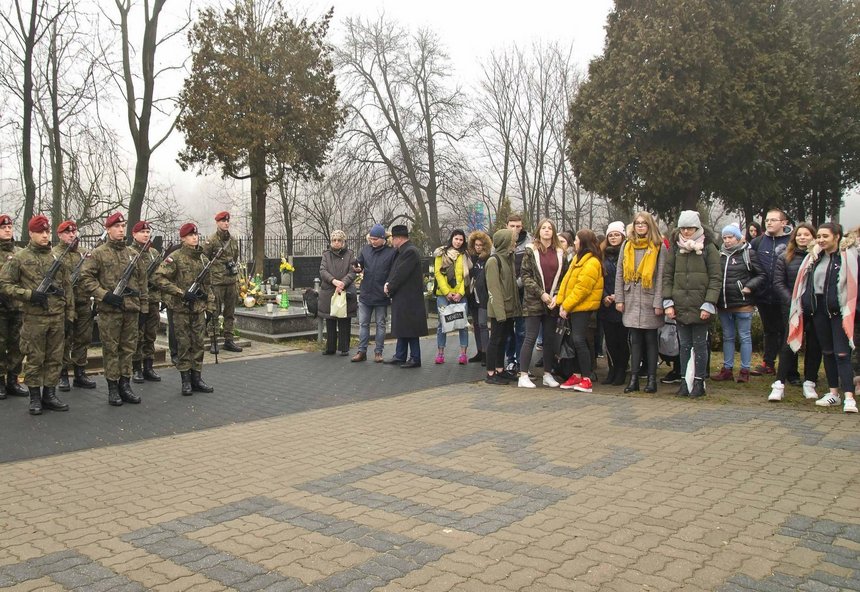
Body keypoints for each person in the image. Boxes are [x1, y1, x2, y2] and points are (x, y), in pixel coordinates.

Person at [0, 215, 73, 414]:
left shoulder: (56, 257)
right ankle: (34, 397)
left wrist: (70, 315)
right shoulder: (20, 258)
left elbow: (67, 289)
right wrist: (29, 295)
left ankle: (49, 394)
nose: (45, 235)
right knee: (35, 358)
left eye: (47, 232)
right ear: (31, 233)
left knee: (55, 358)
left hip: (57, 317)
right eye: (40, 232)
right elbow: (4, 284)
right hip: (34, 318)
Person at [788, 223, 859, 412]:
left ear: (837, 236)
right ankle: (833, 393)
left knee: (842, 354)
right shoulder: (814, 257)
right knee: (827, 352)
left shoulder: (847, 256)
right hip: (819, 311)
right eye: (818, 236)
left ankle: (849, 396)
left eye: (825, 236)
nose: (820, 240)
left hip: (839, 312)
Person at [79, 212, 148, 406]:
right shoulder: (98, 253)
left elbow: (142, 284)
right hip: (109, 311)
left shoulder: (133, 254)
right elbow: (85, 278)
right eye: (116, 226)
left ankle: (125, 385)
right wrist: (104, 294)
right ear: (108, 229)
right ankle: (113, 388)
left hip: (131, 310)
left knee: (128, 349)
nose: (120, 229)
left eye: (122, 226)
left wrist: (143, 308)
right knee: (111, 350)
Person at [152, 222, 216, 396]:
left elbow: (209, 286)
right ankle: (185, 380)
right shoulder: (175, 257)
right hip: (181, 310)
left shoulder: (203, 259)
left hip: (198, 309)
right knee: (183, 345)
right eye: (190, 235)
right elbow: (158, 278)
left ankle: (197, 378)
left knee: (198, 344)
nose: (194, 238)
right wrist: (181, 293)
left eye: (196, 235)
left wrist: (210, 307)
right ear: (182, 238)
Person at [663, 210, 721, 397]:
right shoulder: (675, 248)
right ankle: (684, 381)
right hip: (680, 305)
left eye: (690, 228)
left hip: (700, 305)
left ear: (697, 227)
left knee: (700, 345)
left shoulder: (709, 248)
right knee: (684, 345)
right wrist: (668, 302)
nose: (686, 232)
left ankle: (699, 381)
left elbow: (715, 278)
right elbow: (667, 276)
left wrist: (709, 303)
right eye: (683, 228)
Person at [769, 223, 821, 401]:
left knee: (814, 345)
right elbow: (778, 283)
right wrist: (793, 302)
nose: (802, 237)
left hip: (815, 309)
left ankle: (810, 381)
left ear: (813, 237)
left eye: (806, 234)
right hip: (792, 308)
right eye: (799, 235)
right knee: (789, 344)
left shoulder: (819, 257)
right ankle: (780, 383)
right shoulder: (785, 257)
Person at [615, 213, 666, 393]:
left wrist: (658, 302)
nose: (640, 226)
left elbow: (661, 276)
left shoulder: (658, 246)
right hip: (631, 298)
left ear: (650, 225)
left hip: (649, 298)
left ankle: (651, 380)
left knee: (651, 340)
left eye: (644, 223)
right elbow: (620, 273)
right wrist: (619, 298)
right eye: (637, 223)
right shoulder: (627, 245)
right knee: (634, 339)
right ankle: (634, 379)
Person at [711, 224, 765, 383]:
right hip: (724, 303)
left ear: (738, 238)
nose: (727, 240)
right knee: (727, 337)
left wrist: (749, 287)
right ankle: (727, 369)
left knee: (744, 337)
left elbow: (761, 275)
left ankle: (744, 370)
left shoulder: (748, 253)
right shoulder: (719, 255)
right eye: (725, 238)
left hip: (743, 303)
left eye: (731, 237)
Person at [517, 219, 565, 388]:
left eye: (549, 228)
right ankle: (523, 375)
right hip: (534, 300)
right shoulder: (531, 250)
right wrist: (541, 293)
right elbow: (525, 276)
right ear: (539, 231)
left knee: (549, 339)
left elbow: (564, 277)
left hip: (552, 301)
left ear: (553, 231)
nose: (546, 230)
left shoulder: (560, 252)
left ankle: (547, 374)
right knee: (530, 337)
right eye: (543, 228)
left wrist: (557, 296)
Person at [52, 220, 97, 392]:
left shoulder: (84, 254)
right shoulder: (54, 254)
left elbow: (93, 276)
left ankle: (80, 373)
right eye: (67, 232)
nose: (71, 235)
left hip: (83, 302)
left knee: (83, 339)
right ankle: (63, 374)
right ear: (59, 235)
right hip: (64, 305)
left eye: (73, 232)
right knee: (64, 340)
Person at [558, 229, 604, 393]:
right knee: (574, 341)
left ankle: (586, 378)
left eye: (577, 240)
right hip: (573, 307)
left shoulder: (592, 262)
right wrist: (561, 302)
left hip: (583, 308)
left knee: (579, 341)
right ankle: (576, 375)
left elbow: (582, 289)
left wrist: (566, 305)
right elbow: (566, 281)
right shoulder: (577, 259)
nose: (575, 242)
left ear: (583, 242)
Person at [750, 209, 791, 376]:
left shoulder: (791, 241)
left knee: (786, 331)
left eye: (773, 220)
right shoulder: (757, 242)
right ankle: (768, 363)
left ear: (784, 223)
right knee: (769, 330)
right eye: (767, 220)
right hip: (763, 295)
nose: (769, 223)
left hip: (785, 295)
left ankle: (788, 368)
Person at [383, 225, 428, 367]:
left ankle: (415, 357)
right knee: (403, 327)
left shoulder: (409, 252)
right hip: (404, 296)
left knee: (410, 329)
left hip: (409, 298)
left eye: (393, 239)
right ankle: (400, 355)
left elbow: (401, 273)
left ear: (398, 238)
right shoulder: (403, 251)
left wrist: (389, 286)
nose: (392, 242)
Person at [352, 224, 396, 363]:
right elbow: (359, 265)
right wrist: (357, 268)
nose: (372, 241)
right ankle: (361, 351)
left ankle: (378, 352)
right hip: (366, 293)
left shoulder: (391, 252)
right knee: (363, 324)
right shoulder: (365, 249)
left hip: (381, 294)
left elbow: (393, 272)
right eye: (371, 238)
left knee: (380, 324)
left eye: (375, 239)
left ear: (383, 238)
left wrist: (389, 286)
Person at [484, 228, 521, 384]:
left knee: (503, 340)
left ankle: (500, 369)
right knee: (495, 340)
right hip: (499, 310)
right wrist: (500, 314)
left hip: (509, 309)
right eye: (512, 241)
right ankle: (490, 373)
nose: (514, 243)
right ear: (505, 242)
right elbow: (494, 289)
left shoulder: (509, 258)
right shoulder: (493, 261)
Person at [203, 211, 242, 353]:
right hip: (217, 282)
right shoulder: (211, 241)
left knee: (230, 313)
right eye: (223, 221)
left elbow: (235, 257)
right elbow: (204, 259)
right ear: (217, 223)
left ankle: (228, 340)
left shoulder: (233, 240)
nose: (226, 223)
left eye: (227, 221)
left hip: (231, 281)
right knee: (214, 312)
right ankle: (214, 340)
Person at [131, 221, 163, 383]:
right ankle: (136, 368)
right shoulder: (130, 253)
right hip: (137, 301)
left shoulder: (154, 253)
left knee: (151, 334)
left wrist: (158, 287)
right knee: (138, 335)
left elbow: (162, 274)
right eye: (142, 232)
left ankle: (149, 367)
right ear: (134, 234)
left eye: (147, 232)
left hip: (153, 299)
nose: (145, 234)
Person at [318, 230, 358, 356]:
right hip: (329, 289)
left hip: (345, 290)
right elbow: (322, 270)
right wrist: (334, 281)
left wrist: (343, 283)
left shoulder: (350, 254)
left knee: (344, 319)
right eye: (334, 240)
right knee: (330, 320)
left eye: (339, 240)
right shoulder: (326, 255)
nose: (336, 242)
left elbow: (352, 272)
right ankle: (330, 347)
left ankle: (344, 347)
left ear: (343, 241)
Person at [0, 213, 27, 399]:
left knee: (18, 345)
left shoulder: (19, 253)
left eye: (9, 227)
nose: (8, 230)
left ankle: (13, 379)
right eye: (3, 228)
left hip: (18, 307)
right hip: (1, 308)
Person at [433, 229, 470, 364]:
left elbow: (465, 276)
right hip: (444, 295)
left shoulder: (464, 255)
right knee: (442, 324)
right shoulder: (441, 253)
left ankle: (463, 354)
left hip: (460, 295)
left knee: (462, 324)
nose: (458, 242)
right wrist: (447, 292)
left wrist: (460, 293)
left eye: (461, 240)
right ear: (452, 239)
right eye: (456, 239)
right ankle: (440, 353)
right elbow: (438, 274)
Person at [599, 222, 628, 386]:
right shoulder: (602, 256)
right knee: (609, 341)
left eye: (617, 235)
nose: (613, 238)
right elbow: (598, 279)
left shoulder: (627, 253)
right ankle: (612, 369)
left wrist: (619, 296)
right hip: (606, 304)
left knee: (622, 340)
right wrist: (605, 296)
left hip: (623, 304)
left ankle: (621, 371)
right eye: (611, 235)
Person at [504, 214, 531, 373]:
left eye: (518, 226)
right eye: (512, 226)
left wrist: (517, 284)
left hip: (523, 292)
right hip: (506, 293)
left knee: (522, 330)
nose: (515, 229)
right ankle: (510, 360)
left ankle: (522, 362)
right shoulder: (500, 241)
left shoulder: (529, 242)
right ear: (506, 225)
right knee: (508, 331)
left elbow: (530, 269)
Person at [467, 231, 492, 365]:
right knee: (476, 324)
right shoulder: (471, 258)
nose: (478, 247)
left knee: (483, 324)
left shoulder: (488, 259)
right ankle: (480, 351)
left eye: (480, 245)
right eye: (476, 245)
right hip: (473, 295)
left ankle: (486, 353)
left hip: (483, 295)